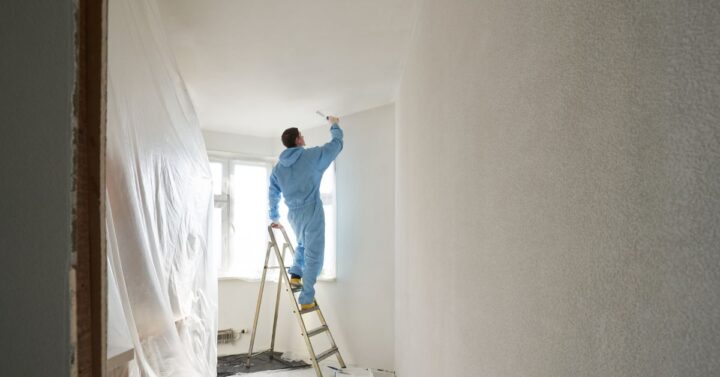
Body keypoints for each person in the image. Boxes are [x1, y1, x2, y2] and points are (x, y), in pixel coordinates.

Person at [268, 116, 343, 310]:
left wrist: (275, 216)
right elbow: (335, 146)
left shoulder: (278, 168)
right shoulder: (310, 156)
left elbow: (273, 192)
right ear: (297, 141)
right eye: (301, 135)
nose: (303, 137)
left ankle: (295, 275)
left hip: (293, 215)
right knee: (314, 254)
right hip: (311, 210)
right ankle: (307, 298)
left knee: (302, 243)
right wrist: (334, 125)